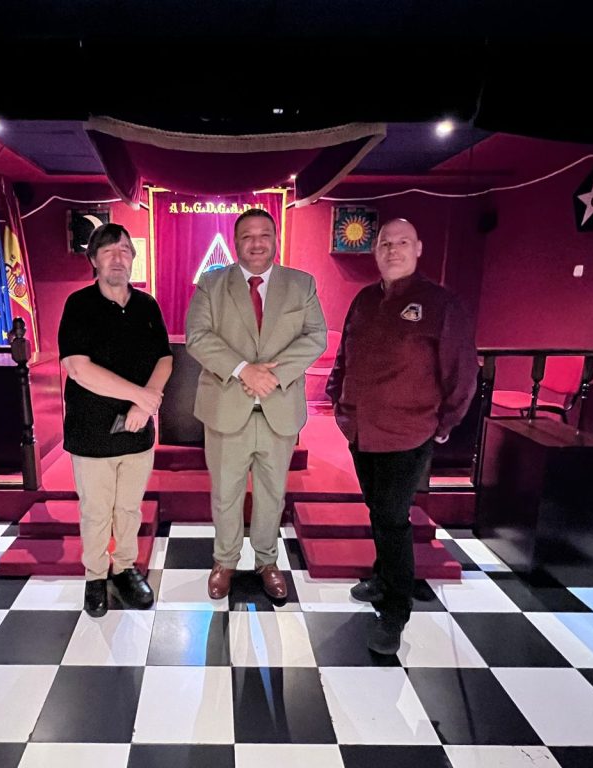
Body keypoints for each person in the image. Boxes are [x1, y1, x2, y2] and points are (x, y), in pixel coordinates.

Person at [326, 217, 478, 654]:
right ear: (376, 251)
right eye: (385, 244)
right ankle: (382, 577)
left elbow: (462, 372)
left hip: (408, 433)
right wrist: (338, 401)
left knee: (393, 519)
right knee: (379, 511)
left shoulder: (441, 304)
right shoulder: (365, 299)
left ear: (419, 248)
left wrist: (444, 424)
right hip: (361, 429)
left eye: (402, 242)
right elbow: (345, 355)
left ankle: (395, 611)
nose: (393, 250)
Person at [186, 209, 327, 600]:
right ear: (235, 243)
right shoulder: (212, 283)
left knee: (272, 493)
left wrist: (273, 376)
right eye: (247, 236)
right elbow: (197, 336)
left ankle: (267, 561)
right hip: (226, 408)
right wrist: (244, 370)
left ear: (275, 239)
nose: (257, 243)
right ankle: (225, 561)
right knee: (225, 493)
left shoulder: (301, 284)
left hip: (279, 409)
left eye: (264, 234)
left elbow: (316, 337)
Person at [59, 223, 173, 617]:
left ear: (133, 257)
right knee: (96, 510)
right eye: (107, 251)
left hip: (136, 428)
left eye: (124, 250)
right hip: (91, 429)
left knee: (128, 508)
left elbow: (164, 357)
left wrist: (145, 404)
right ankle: (95, 575)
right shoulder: (79, 304)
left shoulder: (147, 305)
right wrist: (140, 396)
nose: (117, 258)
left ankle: (124, 568)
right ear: (93, 259)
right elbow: (78, 368)